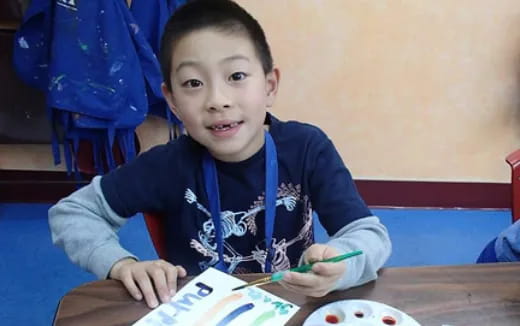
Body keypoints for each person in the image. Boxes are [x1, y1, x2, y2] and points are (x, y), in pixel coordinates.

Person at [49, 0, 391, 309]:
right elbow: (71, 214)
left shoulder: (306, 148)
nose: (217, 100)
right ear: (171, 101)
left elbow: (370, 236)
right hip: (204, 313)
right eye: (193, 84)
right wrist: (121, 264)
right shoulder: (166, 165)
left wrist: (343, 266)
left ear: (270, 86)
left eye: (237, 76)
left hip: (293, 307)